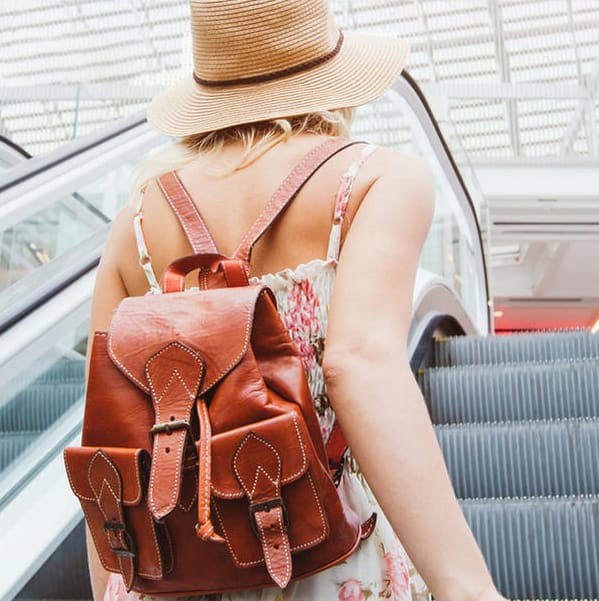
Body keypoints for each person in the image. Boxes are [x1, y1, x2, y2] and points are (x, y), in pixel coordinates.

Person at [85, 2, 504, 601]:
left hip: (174, 574)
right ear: (330, 77)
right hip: (325, 560)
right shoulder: (374, 180)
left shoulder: (135, 225)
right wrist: (466, 586)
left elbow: (108, 436)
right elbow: (358, 363)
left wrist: (110, 587)